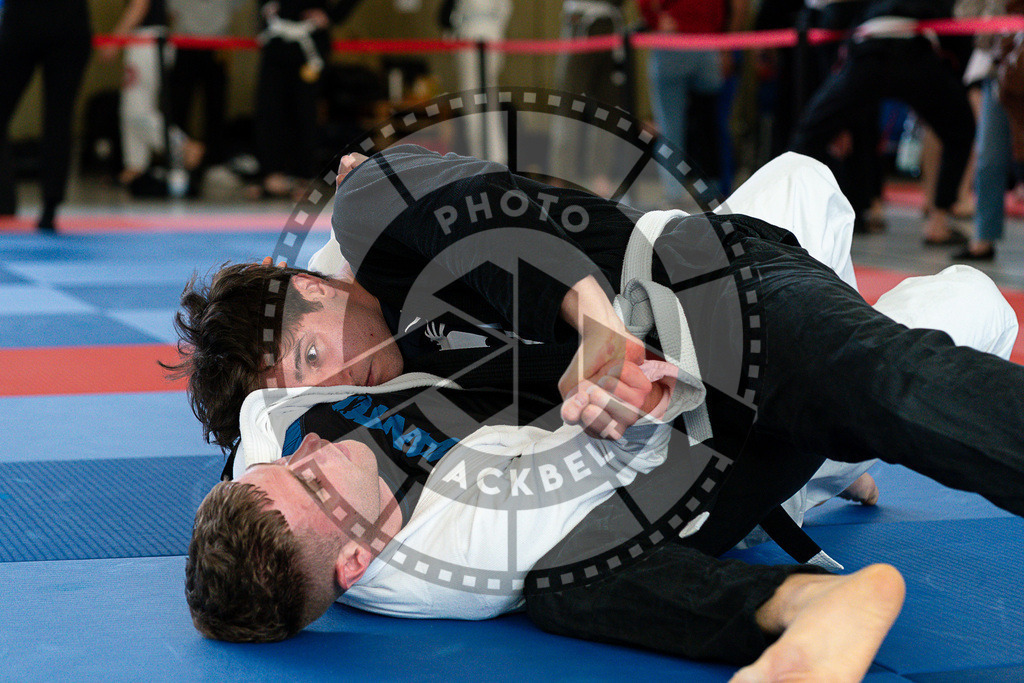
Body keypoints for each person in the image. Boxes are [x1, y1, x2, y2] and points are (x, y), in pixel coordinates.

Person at [175, 146, 1021, 680]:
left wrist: (600, 329)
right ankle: (811, 577)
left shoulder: (371, 216)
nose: (335, 393)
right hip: (709, 447)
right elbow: (260, 510)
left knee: (883, 376)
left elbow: (516, 215)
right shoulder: (380, 475)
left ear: (316, 286)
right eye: (308, 388)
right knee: (565, 582)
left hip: (699, 290)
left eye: (317, 356)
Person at [789, 0, 976, 246]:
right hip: (909, 52)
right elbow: (953, 31)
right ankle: (938, 221)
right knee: (961, 128)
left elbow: (839, 26)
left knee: (810, 131)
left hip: (872, 50)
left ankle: (790, 215)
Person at [637, 0, 751, 201]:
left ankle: (677, 193)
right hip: (697, 44)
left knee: (676, 126)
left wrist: (655, 21)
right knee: (705, 123)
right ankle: (705, 192)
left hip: (687, 44)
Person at [251, 0, 361, 199]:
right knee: (269, 108)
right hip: (277, 39)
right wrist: (265, 6)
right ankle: (272, 174)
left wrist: (333, 15)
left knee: (305, 111)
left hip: (310, 40)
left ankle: (303, 176)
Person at [0, 0, 92, 230]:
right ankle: (42, 205)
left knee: (59, 118)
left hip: (45, 23)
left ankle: (49, 206)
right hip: (55, 23)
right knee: (59, 119)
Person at [99, 0, 206, 191]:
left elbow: (140, 5)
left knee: (136, 111)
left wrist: (114, 41)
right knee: (131, 109)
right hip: (151, 39)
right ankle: (135, 168)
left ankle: (183, 146)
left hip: (147, 40)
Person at [167, 0, 247, 167]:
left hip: (218, 46)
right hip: (185, 44)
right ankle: (177, 159)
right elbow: (171, 10)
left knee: (216, 107)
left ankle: (214, 162)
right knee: (179, 106)